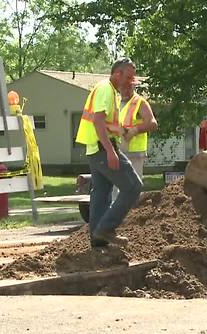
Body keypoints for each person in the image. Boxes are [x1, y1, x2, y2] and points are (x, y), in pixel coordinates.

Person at [75, 58, 142, 247]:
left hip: (95, 149)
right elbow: (98, 121)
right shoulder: (106, 89)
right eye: (128, 77)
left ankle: (98, 240)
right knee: (133, 186)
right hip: (102, 148)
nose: (131, 81)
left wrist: (121, 131)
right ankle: (106, 228)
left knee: (101, 192)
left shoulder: (110, 91)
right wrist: (111, 151)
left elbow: (105, 123)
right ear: (117, 74)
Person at [111, 79, 158, 201]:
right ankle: (117, 217)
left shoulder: (139, 103)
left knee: (133, 189)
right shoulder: (116, 102)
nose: (126, 90)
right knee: (115, 190)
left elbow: (153, 124)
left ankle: (132, 216)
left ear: (134, 86)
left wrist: (135, 130)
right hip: (118, 151)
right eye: (123, 87)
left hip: (135, 153)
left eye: (129, 87)